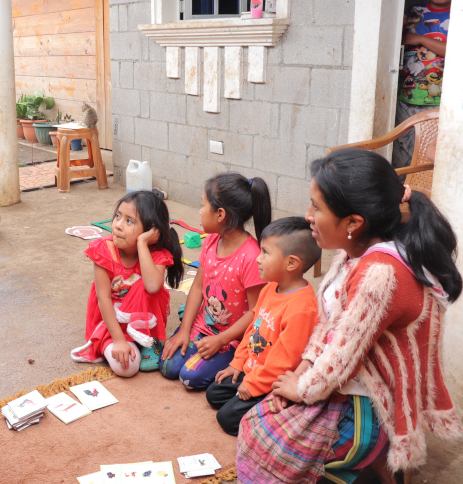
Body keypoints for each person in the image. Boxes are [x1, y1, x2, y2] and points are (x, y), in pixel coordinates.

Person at [236, 148, 463, 484]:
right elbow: (327, 328)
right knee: (257, 418)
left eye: (317, 206)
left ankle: (372, 464)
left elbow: (342, 357)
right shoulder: (351, 253)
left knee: (266, 445)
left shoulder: (380, 275)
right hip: (342, 384)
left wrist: (300, 390)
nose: (308, 215)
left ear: (354, 223)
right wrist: (295, 377)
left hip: (370, 405)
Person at [206, 217, 320, 436]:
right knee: (214, 393)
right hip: (252, 368)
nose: (257, 259)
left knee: (226, 418)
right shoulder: (270, 288)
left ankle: (279, 410)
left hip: (270, 382)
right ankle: (245, 393)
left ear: (291, 263)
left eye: (265, 253)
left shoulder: (303, 308)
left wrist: (253, 386)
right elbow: (252, 330)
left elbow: (284, 362)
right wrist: (237, 364)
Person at [159, 173, 271, 390]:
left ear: (220, 214)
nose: (200, 212)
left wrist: (221, 341)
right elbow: (198, 286)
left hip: (230, 339)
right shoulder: (211, 240)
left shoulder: (251, 256)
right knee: (167, 366)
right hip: (202, 327)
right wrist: (184, 329)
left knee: (189, 377)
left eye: (203, 205)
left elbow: (256, 312)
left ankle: (238, 361)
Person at [71, 191, 184, 377]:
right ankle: (126, 341)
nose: (118, 226)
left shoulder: (156, 254)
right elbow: (103, 298)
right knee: (128, 368)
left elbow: (153, 287)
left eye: (129, 221)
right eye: (117, 217)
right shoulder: (103, 251)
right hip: (111, 321)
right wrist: (119, 341)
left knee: (147, 285)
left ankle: (148, 339)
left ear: (150, 231)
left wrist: (141, 244)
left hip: (142, 317)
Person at [393, 0, 455, 168]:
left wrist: (420, 39)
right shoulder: (414, 13)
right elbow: (392, 44)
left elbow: (458, 52)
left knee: (427, 160)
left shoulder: (461, 18)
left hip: (439, 105)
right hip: (405, 99)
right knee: (401, 156)